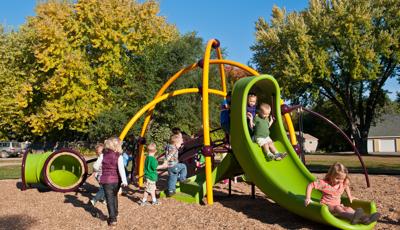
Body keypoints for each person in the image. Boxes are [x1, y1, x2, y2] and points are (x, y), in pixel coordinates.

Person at [305, 162, 381, 224]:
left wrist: (350, 196)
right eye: (337, 178)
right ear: (331, 175)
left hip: (338, 205)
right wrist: (308, 198)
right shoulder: (324, 184)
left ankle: (366, 218)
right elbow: (310, 185)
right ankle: (353, 217)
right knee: (338, 208)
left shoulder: (342, 183)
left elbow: (346, 187)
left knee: (348, 208)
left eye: (342, 179)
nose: (340, 181)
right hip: (326, 207)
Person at [100, 137, 128, 226]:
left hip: (106, 181)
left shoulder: (102, 155)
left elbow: (96, 166)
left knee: (109, 199)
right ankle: (115, 213)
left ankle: (113, 219)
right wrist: (124, 181)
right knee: (114, 196)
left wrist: (97, 170)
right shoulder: (118, 156)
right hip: (116, 181)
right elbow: (121, 169)